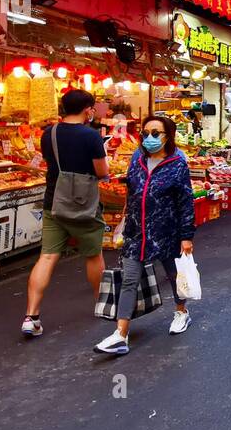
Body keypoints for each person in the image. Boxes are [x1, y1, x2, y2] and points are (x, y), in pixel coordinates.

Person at [93, 116, 196, 355]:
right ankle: (121, 334)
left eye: (156, 133)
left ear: (168, 136)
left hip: (166, 231)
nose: (149, 137)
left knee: (173, 275)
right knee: (129, 279)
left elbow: (185, 202)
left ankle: (182, 311)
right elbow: (132, 191)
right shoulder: (137, 159)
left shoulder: (177, 163)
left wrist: (186, 236)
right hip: (136, 231)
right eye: (146, 132)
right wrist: (125, 219)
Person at [22, 88, 108, 337]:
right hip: (84, 205)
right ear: (87, 109)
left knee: (47, 256)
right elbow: (101, 172)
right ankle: (101, 305)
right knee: (93, 255)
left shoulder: (50, 133)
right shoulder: (91, 136)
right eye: (92, 108)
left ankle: (31, 315)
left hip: (54, 202)